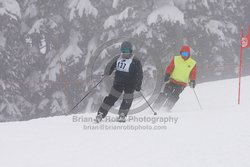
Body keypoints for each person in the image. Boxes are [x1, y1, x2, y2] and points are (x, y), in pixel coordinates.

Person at [95, 41, 143, 123]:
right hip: (118, 82)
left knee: (127, 99)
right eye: (123, 51)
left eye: (127, 51)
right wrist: (107, 72)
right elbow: (110, 65)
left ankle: (122, 114)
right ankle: (100, 114)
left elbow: (139, 74)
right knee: (111, 98)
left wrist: (138, 85)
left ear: (131, 51)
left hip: (130, 83)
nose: (125, 53)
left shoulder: (135, 60)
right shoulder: (117, 58)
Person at [153, 45, 197, 111]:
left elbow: (193, 73)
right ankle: (155, 107)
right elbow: (170, 67)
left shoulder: (192, 63)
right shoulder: (176, 59)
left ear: (189, 54)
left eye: (186, 54)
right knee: (166, 92)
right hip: (172, 81)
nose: (184, 55)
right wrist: (167, 74)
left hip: (182, 84)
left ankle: (166, 108)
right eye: (183, 53)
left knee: (175, 95)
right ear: (181, 53)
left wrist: (192, 80)